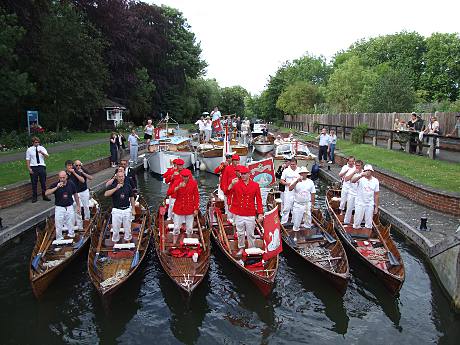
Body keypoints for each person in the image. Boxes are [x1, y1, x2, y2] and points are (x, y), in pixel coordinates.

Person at [227, 165, 263, 257]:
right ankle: (241, 247)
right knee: (240, 233)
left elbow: (259, 200)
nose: (242, 176)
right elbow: (227, 193)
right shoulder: (236, 184)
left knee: (251, 233)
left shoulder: (255, 185)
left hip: (250, 213)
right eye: (241, 174)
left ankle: (251, 248)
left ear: (249, 174)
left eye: (244, 174)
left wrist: (260, 213)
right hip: (239, 213)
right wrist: (231, 185)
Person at [45, 171, 80, 240]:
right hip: (59, 208)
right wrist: (56, 187)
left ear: (66, 177)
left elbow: (75, 194)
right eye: (60, 178)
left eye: (63, 177)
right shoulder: (55, 184)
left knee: (71, 223)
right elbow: (46, 193)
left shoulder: (71, 184)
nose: (62, 179)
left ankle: (71, 235)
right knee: (59, 224)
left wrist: (78, 205)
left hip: (69, 207)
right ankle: (59, 238)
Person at [168, 169, 199, 245]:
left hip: (190, 208)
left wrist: (196, 208)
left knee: (189, 228)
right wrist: (178, 187)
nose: (185, 178)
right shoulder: (177, 182)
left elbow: (196, 196)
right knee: (176, 228)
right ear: (181, 176)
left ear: (189, 176)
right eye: (184, 176)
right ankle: (174, 243)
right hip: (179, 209)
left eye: (187, 176)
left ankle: (189, 242)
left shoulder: (194, 183)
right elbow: (169, 192)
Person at [104, 169, 136, 243]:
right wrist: (116, 188)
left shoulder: (128, 186)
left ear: (124, 177)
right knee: (115, 228)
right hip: (116, 210)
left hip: (127, 210)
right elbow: (106, 194)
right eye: (119, 177)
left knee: (127, 228)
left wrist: (133, 209)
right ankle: (115, 241)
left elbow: (131, 197)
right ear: (117, 177)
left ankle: (127, 240)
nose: (121, 178)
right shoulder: (113, 186)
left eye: (122, 176)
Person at [289, 167, 316, 238]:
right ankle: (295, 236)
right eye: (302, 173)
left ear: (307, 174)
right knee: (297, 221)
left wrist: (312, 205)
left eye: (304, 173)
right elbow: (290, 188)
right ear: (300, 174)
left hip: (307, 204)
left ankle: (307, 235)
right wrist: (296, 181)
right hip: (298, 204)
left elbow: (313, 193)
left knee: (308, 220)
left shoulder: (310, 182)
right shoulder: (295, 180)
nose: (303, 174)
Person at [351, 164, 379, 230]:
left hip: (369, 204)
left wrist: (376, 207)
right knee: (357, 222)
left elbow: (376, 194)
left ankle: (367, 233)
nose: (367, 172)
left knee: (369, 223)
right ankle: (356, 232)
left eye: (369, 170)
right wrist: (361, 175)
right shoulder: (360, 178)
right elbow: (352, 180)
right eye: (366, 170)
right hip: (360, 203)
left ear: (372, 172)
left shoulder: (375, 181)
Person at [26, 137, 51, 203]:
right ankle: (34, 197)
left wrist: (42, 153)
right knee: (34, 183)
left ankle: (44, 196)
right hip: (33, 167)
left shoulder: (42, 148)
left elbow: (47, 156)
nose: (37, 143)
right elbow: (28, 159)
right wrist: (29, 168)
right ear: (33, 143)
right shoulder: (29, 150)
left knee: (43, 182)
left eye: (38, 142)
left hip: (41, 166)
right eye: (35, 142)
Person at [280, 158, 301, 224]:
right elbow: (281, 180)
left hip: (297, 191)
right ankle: (284, 222)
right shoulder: (286, 171)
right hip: (288, 191)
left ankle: (294, 221)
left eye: (294, 164)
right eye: (291, 164)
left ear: (296, 164)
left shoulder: (300, 170)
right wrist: (287, 184)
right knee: (286, 207)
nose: (292, 165)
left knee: (295, 207)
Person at [220, 154, 240, 223]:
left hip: (238, 193)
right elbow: (224, 180)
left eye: (237, 160)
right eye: (235, 160)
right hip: (229, 191)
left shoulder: (241, 168)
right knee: (228, 209)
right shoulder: (227, 169)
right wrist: (225, 190)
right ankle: (228, 220)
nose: (236, 162)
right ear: (232, 161)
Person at [342, 160, 363, 225]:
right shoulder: (352, 171)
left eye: (358, 165)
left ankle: (356, 223)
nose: (357, 167)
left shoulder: (363, 173)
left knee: (358, 210)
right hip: (351, 193)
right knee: (349, 208)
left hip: (359, 195)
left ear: (361, 166)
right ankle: (346, 222)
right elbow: (346, 179)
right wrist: (354, 173)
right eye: (356, 165)